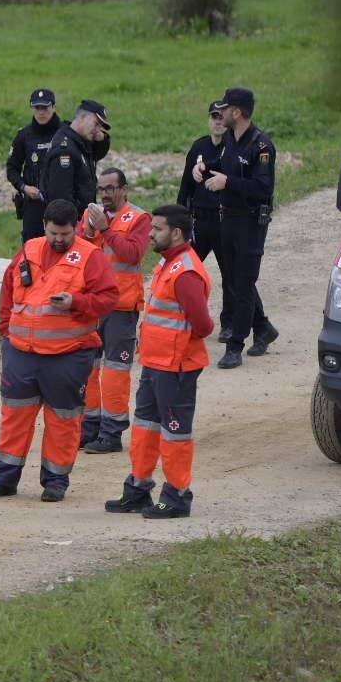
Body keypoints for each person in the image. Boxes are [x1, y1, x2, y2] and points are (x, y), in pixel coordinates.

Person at [0, 199, 119, 501]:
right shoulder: (29, 249)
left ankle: (55, 482)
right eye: (54, 233)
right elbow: (7, 289)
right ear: (44, 226)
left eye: (65, 235)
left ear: (75, 230)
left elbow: (108, 298)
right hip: (21, 353)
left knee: (63, 419)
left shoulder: (90, 257)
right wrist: (7, 331)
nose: (58, 239)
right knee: (14, 416)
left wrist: (77, 303)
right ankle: (4, 478)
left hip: (68, 355)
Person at [104, 206, 214, 518]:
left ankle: (177, 497)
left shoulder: (185, 272)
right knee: (145, 428)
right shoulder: (170, 264)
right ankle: (138, 490)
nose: (150, 234)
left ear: (176, 233)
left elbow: (204, 326)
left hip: (176, 368)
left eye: (157, 229)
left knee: (175, 435)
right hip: (156, 364)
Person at [78, 167, 152, 454]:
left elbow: (133, 254)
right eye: (102, 189)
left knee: (116, 371)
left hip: (121, 307)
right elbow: (78, 255)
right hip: (92, 305)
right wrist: (87, 232)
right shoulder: (90, 215)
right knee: (88, 368)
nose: (105, 194)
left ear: (124, 189)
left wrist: (106, 230)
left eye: (111, 188)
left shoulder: (139, 218)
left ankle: (112, 433)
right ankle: (90, 427)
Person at [209, 87, 279, 368]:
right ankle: (263, 328)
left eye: (224, 109)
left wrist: (228, 183)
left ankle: (235, 345)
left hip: (250, 221)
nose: (220, 113)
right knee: (236, 279)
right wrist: (204, 168)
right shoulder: (229, 138)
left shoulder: (261, 146)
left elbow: (263, 188)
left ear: (236, 112)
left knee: (243, 281)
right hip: (229, 217)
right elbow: (226, 165)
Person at [31, 100, 110, 229]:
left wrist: (102, 138)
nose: (97, 130)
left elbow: (98, 153)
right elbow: (61, 197)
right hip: (70, 227)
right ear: (83, 117)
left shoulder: (80, 141)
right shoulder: (65, 150)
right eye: (96, 124)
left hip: (81, 223)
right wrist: (75, 227)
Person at [5, 88, 64, 241]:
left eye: (45, 107)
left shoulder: (66, 132)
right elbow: (12, 168)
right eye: (37, 108)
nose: (41, 112)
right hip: (34, 203)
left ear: (54, 107)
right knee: (32, 249)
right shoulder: (24, 135)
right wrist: (24, 187)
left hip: (62, 202)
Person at [176, 101, 229, 263]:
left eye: (221, 117)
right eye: (214, 117)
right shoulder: (199, 146)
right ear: (209, 120)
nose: (218, 121)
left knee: (231, 276)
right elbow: (186, 187)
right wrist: (179, 220)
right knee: (185, 266)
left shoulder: (233, 147)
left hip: (224, 222)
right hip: (199, 222)